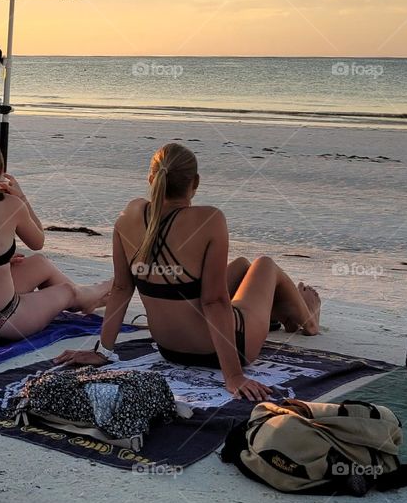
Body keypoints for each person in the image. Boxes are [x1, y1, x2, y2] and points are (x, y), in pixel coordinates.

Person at [54, 142, 323, 401]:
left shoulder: (129, 216)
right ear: (195, 183)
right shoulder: (209, 220)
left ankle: (282, 313)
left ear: (151, 179)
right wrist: (233, 376)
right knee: (264, 264)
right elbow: (214, 301)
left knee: (242, 265)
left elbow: (122, 289)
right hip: (228, 349)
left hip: (170, 349)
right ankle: (308, 320)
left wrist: (104, 351)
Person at [0, 136, 111, 341]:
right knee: (67, 290)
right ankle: (102, 288)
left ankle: (85, 299)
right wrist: (21, 198)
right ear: (0, 170)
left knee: (39, 264)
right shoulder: (11, 204)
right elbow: (38, 241)